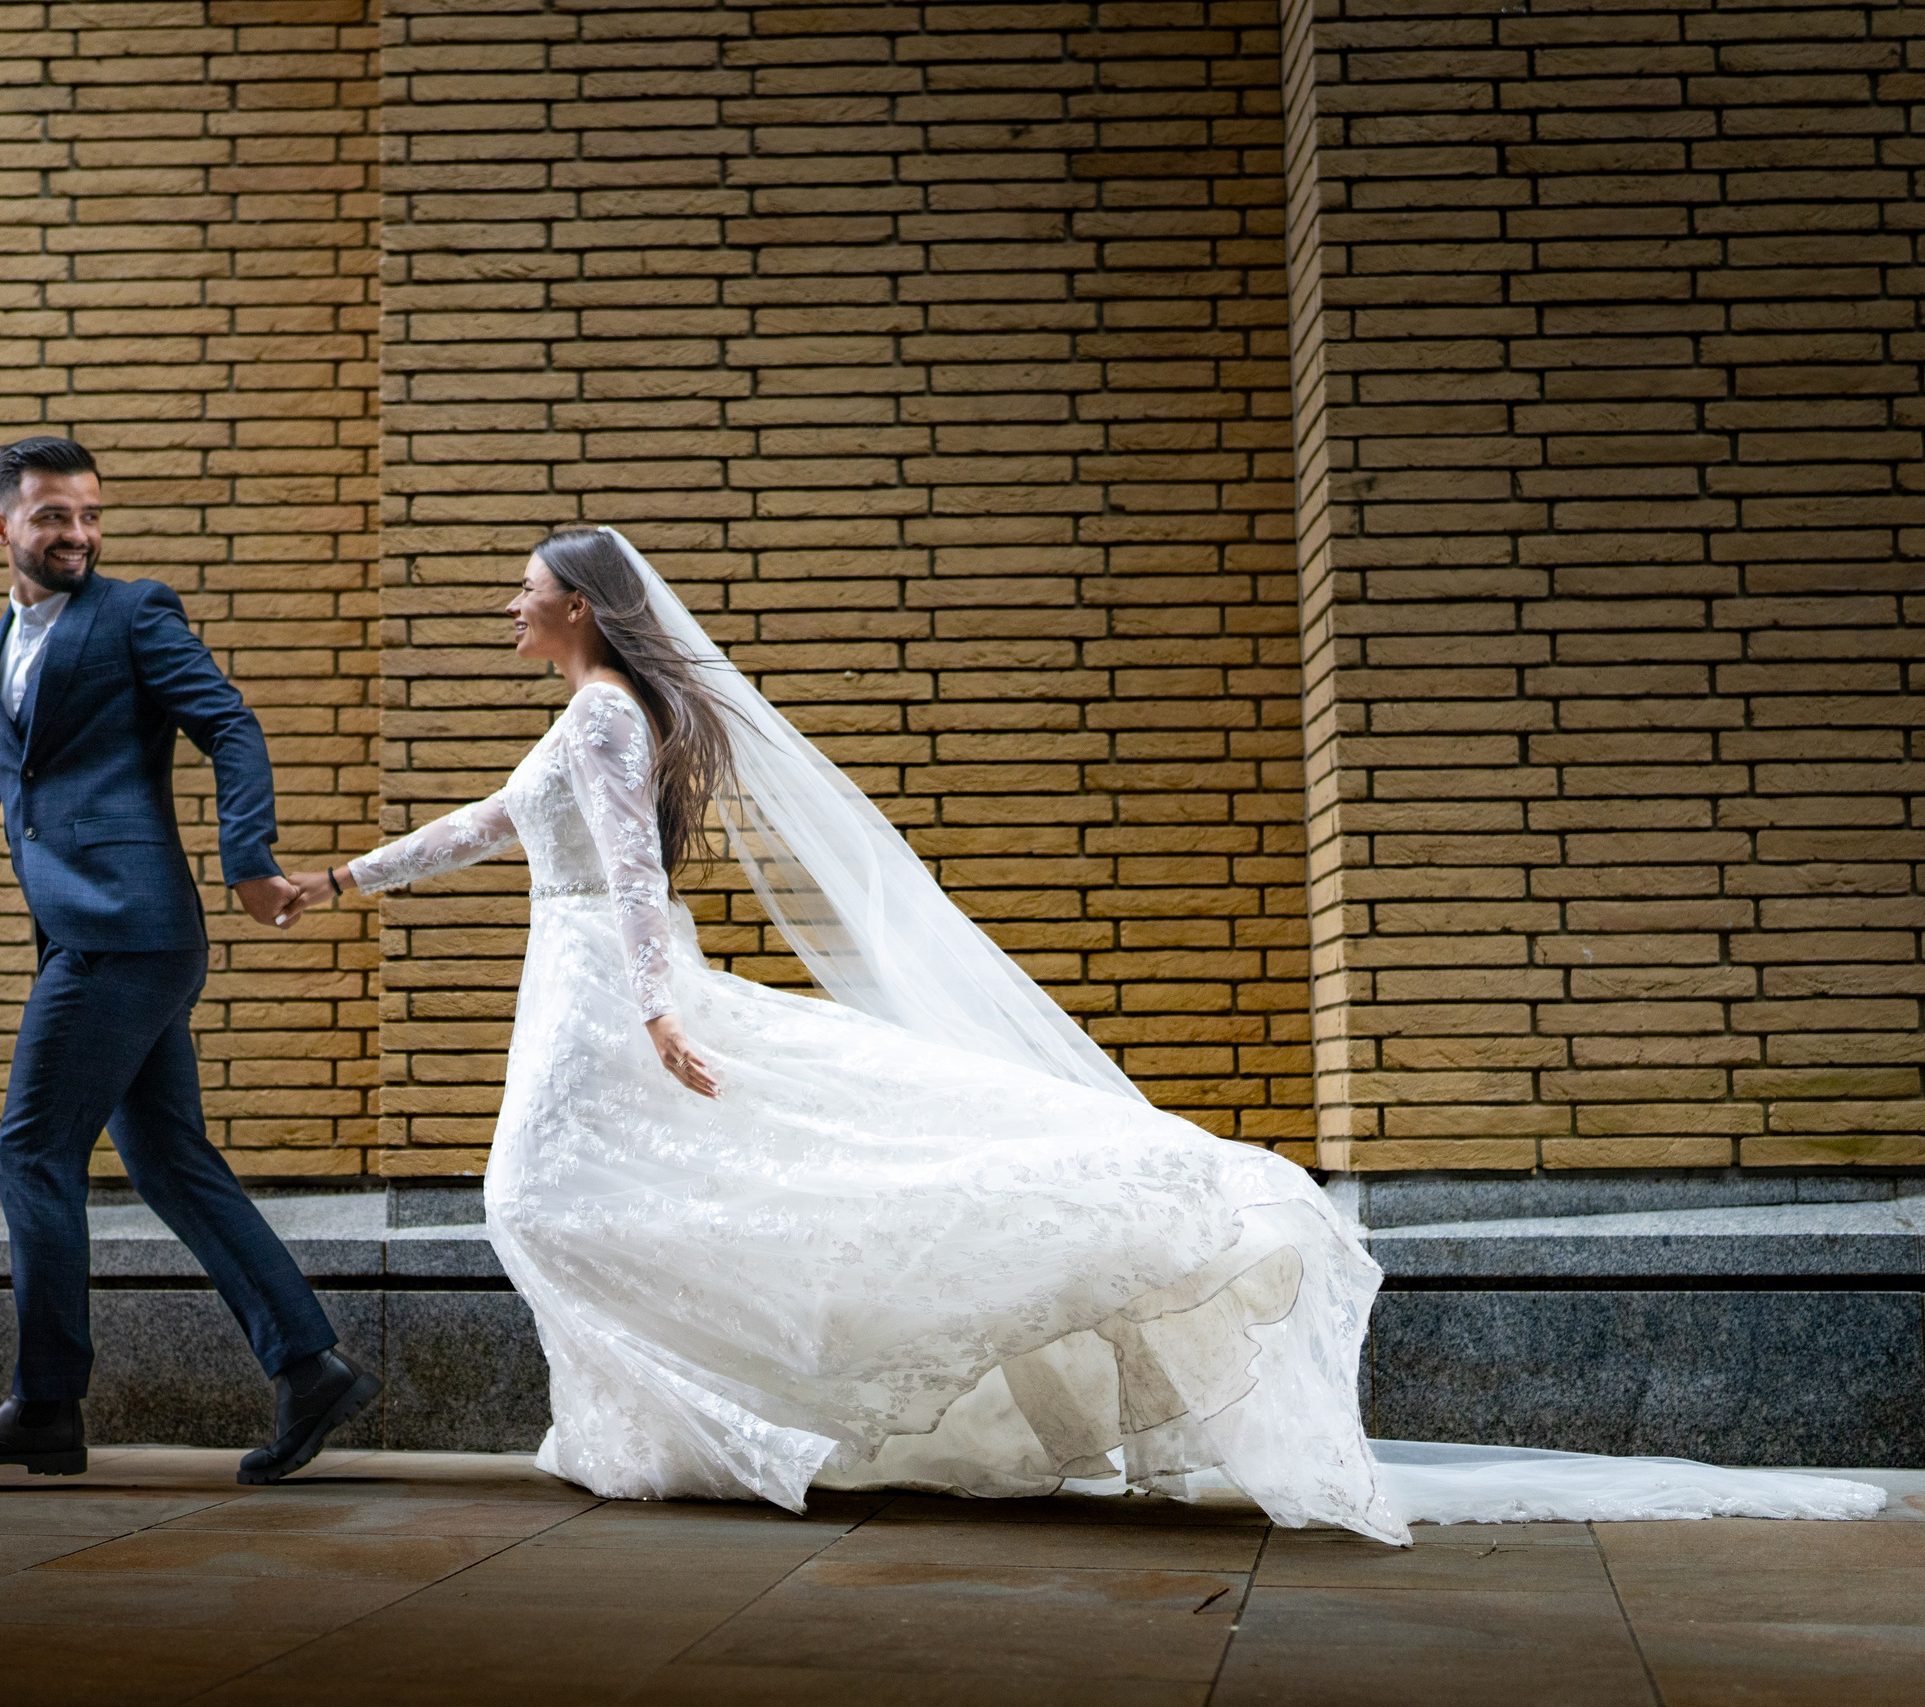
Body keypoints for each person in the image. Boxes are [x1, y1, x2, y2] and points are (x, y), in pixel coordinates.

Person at [280, 526, 1883, 1542]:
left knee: (550, 1195)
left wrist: (651, 1003)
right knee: (598, 1197)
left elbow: (632, 871)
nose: (509, 602)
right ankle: (675, 1427)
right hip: (576, 981)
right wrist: (339, 883)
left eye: (527, 586)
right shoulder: (584, 714)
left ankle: (737, 1415)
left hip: (603, 987)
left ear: (581, 605)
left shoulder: (608, 713)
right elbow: (489, 825)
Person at [0, 436, 377, 1485]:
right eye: (54, 516)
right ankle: (309, 1364)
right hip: (93, 931)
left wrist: (249, 859)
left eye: (90, 514)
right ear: (1, 526)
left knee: (31, 1153)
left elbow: (230, 726)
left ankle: (47, 1405)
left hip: (126, 928)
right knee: (168, 1159)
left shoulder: (135, 614)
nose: (79, 534)